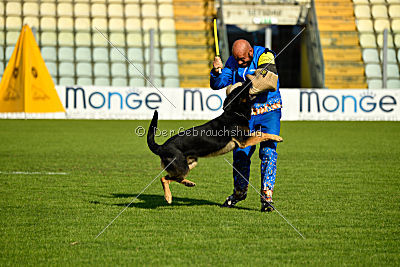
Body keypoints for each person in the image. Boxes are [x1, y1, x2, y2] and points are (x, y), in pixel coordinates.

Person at [210, 39, 282, 212]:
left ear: (251, 51)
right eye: (236, 59)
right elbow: (218, 85)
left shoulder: (265, 55)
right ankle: (239, 193)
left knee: (268, 152)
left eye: (242, 59)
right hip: (245, 116)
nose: (239, 63)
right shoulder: (233, 61)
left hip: (269, 112)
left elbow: (268, 82)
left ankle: (267, 197)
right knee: (241, 153)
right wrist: (216, 71)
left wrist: (237, 89)